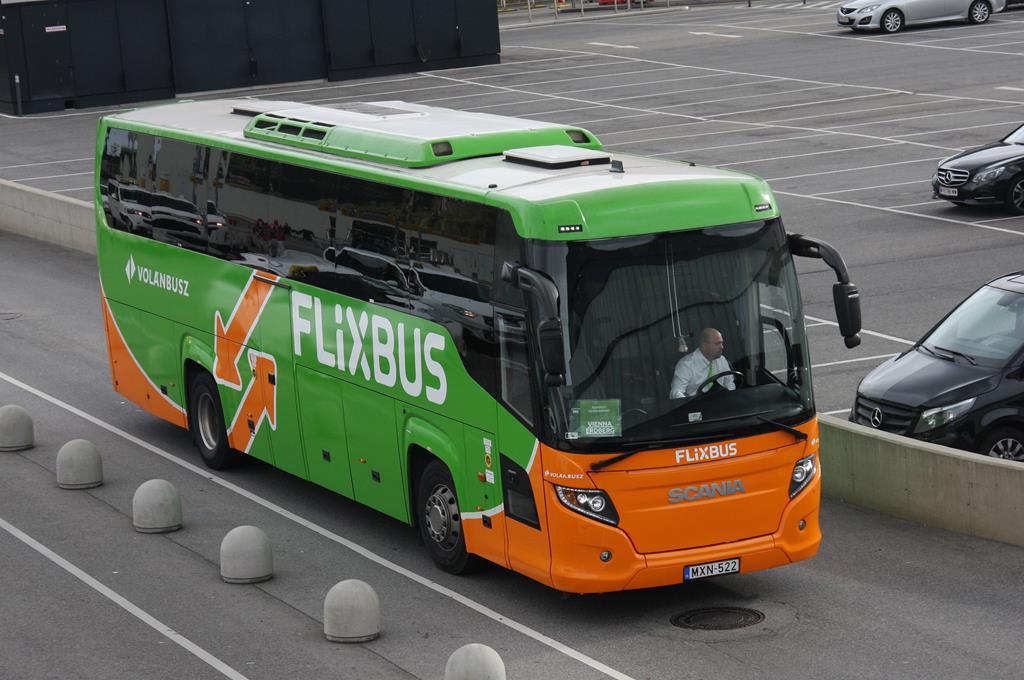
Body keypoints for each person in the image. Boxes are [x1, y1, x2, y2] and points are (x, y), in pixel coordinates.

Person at [669, 327, 736, 399]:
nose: (722, 347)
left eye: (722, 343)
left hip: (721, 403)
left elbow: (729, 383)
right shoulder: (686, 365)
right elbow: (676, 392)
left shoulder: (722, 360)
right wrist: (690, 405)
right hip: (696, 405)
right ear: (704, 346)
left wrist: (730, 399)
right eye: (717, 344)